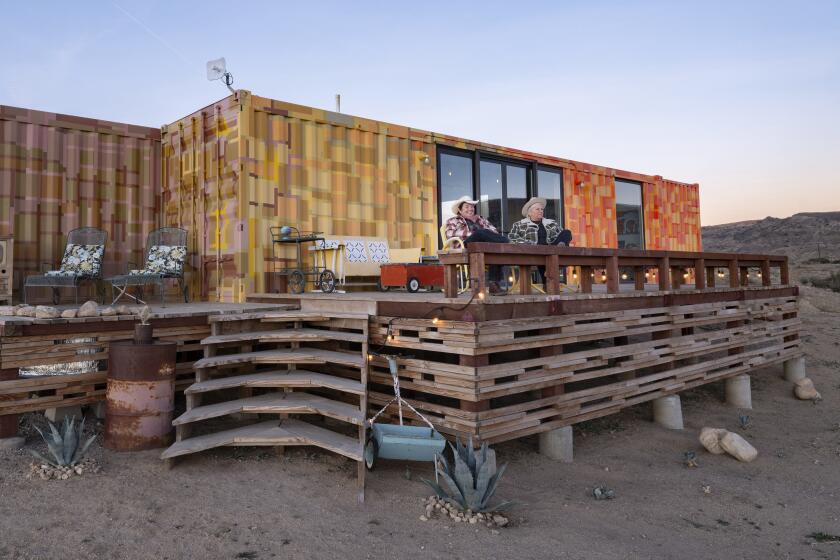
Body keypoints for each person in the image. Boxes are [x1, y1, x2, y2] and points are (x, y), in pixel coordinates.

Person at [444, 196, 510, 294]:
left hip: (484, 248)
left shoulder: (481, 219)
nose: (470, 209)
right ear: (459, 209)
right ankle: (509, 243)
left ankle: (493, 285)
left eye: (472, 206)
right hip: (465, 246)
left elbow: (494, 232)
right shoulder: (453, 220)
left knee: (496, 247)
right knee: (481, 233)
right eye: (467, 206)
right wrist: (473, 233)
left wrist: (484, 232)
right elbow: (449, 234)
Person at [508, 197, 574, 284]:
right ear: (530, 212)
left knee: (567, 232)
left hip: (552, 247)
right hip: (533, 251)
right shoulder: (520, 224)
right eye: (537, 209)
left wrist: (560, 242)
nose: (541, 211)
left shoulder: (551, 223)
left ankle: (558, 250)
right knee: (544, 255)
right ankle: (547, 282)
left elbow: (562, 235)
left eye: (542, 209)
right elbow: (512, 237)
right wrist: (525, 243)